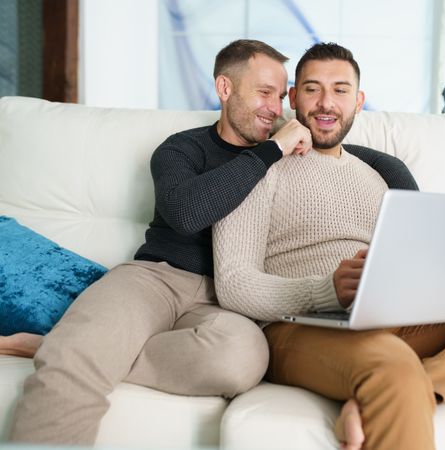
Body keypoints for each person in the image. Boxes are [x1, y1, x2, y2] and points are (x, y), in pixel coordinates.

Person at [7, 39, 415, 446]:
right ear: (225, 89)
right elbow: (186, 214)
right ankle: (80, 351)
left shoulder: (294, 149)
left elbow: (344, 148)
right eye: (263, 93)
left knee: (241, 361)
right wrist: (272, 149)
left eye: (279, 96)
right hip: (156, 279)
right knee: (74, 361)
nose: (275, 109)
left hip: (225, 300)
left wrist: (388, 170)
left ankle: (79, 346)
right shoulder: (185, 148)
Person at [212, 42, 445, 450]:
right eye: (312, 89)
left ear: (359, 101)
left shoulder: (378, 176)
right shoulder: (256, 168)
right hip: (299, 327)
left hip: (391, 316)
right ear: (293, 98)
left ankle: (419, 387)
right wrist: (323, 290)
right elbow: (232, 283)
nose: (326, 104)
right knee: (391, 363)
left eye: (341, 90)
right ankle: (399, 384)